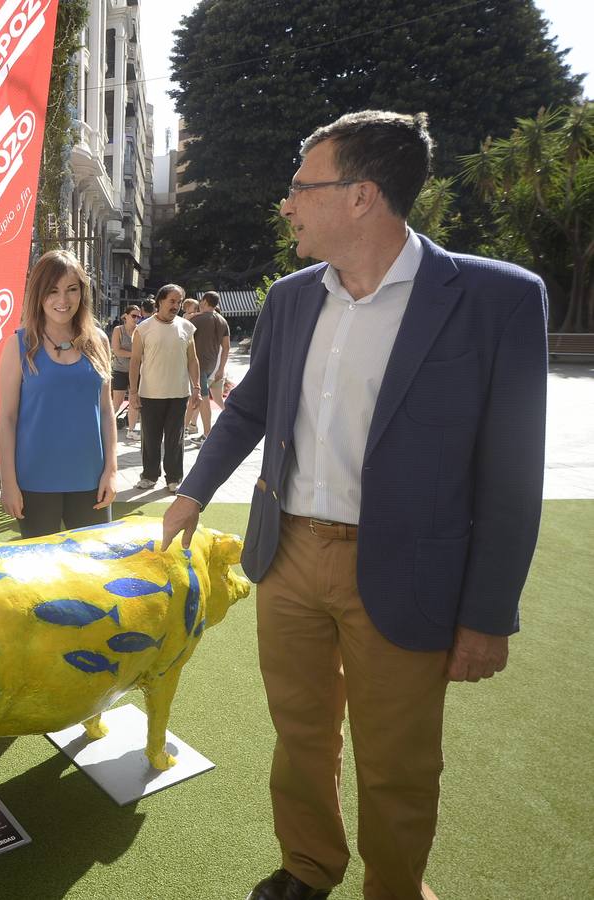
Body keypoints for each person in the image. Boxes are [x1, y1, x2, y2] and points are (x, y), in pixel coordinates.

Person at [160, 111, 547, 900]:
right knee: (300, 735)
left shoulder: (494, 299)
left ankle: (395, 889)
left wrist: (487, 615)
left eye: (301, 186)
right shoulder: (293, 298)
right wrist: (192, 492)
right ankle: (308, 868)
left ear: (362, 195)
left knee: (397, 759)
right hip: (289, 553)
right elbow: (248, 407)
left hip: (408, 567)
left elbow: (512, 474)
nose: (286, 203)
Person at [0, 250, 117, 538]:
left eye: (71, 290)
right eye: (53, 291)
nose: (63, 300)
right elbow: (7, 419)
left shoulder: (98, 341)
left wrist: (111, 471)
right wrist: (9, 484)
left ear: (82, 293)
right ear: (38, 294)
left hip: (90, 481)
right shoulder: (19, 346)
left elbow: (106, 410)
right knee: (41, 577)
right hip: (34, 484)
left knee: (94, 569)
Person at [128, 284, 201, 493]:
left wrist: (196, 387)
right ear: (160, 301)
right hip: (150, 393)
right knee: (150, 438)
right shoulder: (143, 328)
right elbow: (134, 361)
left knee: (175, 438)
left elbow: (193, 359)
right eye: (172, 301)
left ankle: (175, 478)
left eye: (179, 302)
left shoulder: (187, 327)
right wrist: (133, 392)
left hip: (179, 392)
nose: (176, 306)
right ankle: (149, 476)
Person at [184, 290, 231, 443]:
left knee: (203, 399)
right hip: (212, 365)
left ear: (204, 301)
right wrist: (221, 368)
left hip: (198, 365)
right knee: (200, 399)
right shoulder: (223, 321)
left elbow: (182, 336)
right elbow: (226, 347)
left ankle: (206, 434)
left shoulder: (197, 320)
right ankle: (186, 428)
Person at [111, 303, 143, 442]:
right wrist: (135, 355)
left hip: (136, 371)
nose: (136, 319)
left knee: (134, 401)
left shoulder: (140, 330)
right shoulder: (119, 330)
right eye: (133, 316)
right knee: (117, 402)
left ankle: (131, 430)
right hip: (120, 370)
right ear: (126, 316)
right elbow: (116, 350)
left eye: (138, 316)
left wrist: (135, 356)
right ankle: (105, 427)